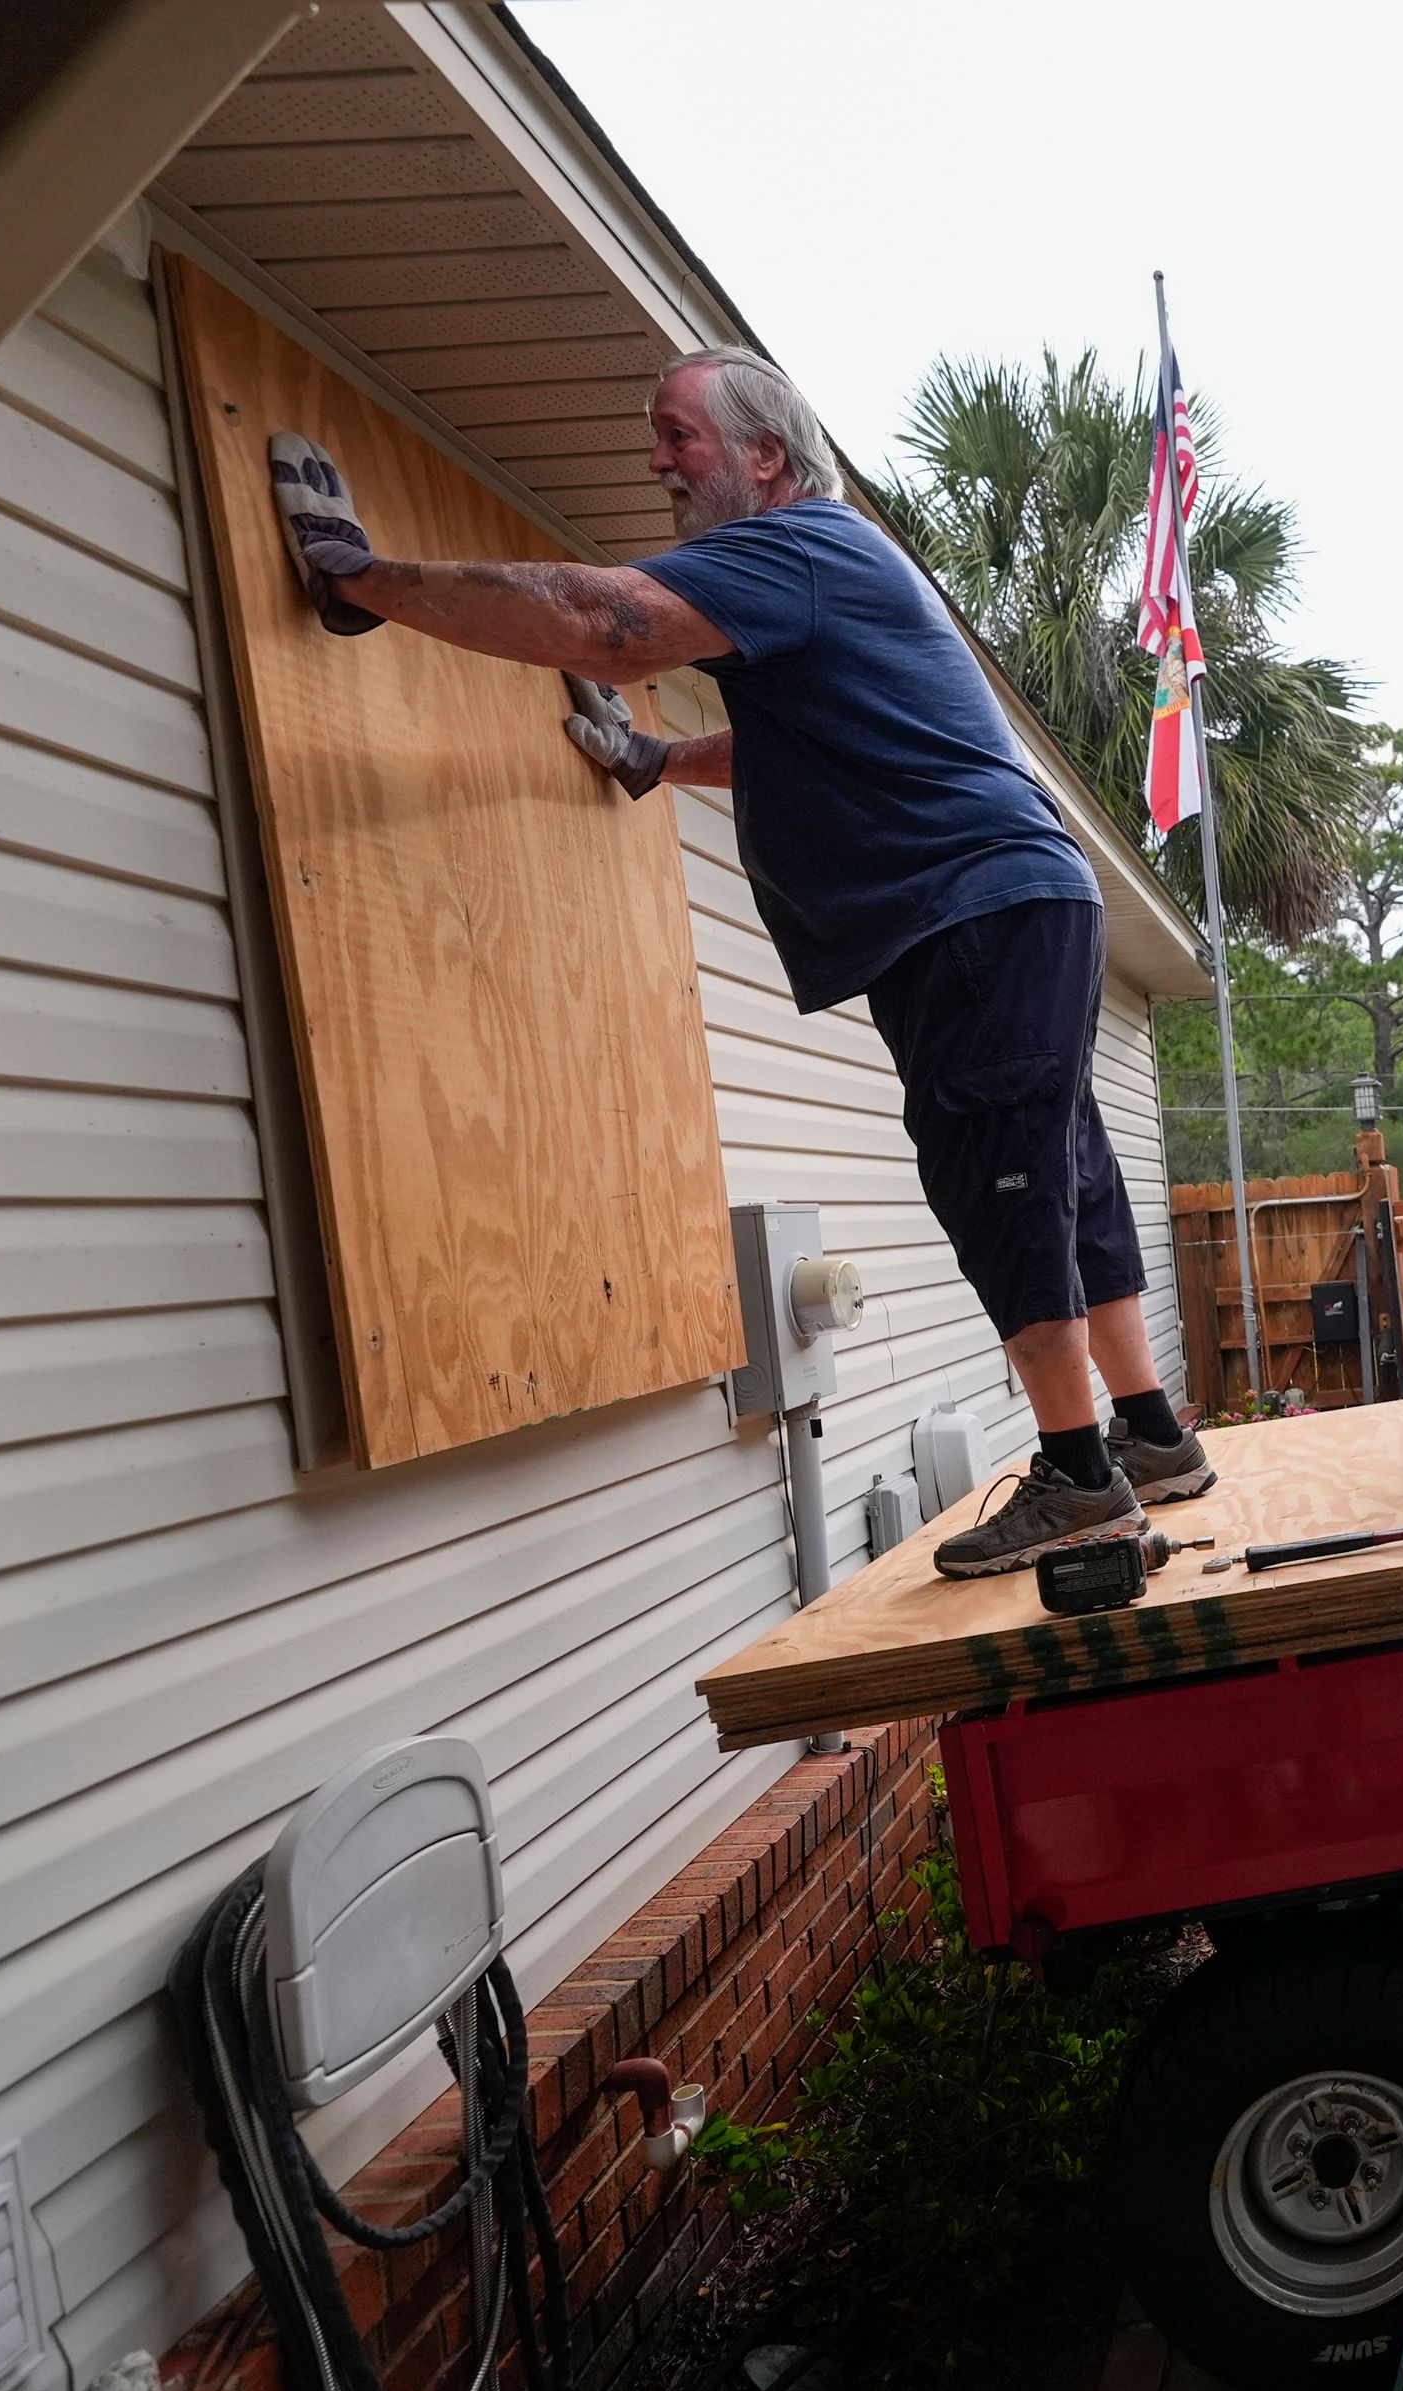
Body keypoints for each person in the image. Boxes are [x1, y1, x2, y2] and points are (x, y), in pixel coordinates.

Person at [263, 350, 1211, 1577]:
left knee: (1002, 1172)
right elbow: (814, 740)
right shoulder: (822, 575)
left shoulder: (798, 547)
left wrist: (366, 579)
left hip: (969, 911)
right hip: (1012, 902)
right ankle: (1149, 1439)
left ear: (765, 455)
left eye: (676, 435)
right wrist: (663, 761)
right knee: (1059, 1164)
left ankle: (1082, 1477)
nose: (656, 461)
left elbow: (603, 626)